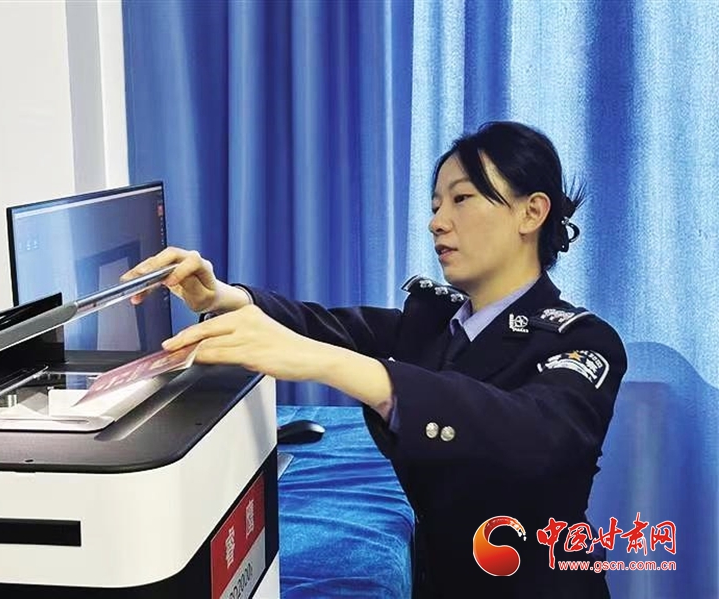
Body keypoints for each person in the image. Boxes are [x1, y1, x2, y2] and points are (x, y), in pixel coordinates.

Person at [122, 121, 626, 598]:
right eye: (435, 204)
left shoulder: (582, 341)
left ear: (531, 213)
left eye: (462, 198)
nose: (436, 221)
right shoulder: (437, 324)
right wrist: (222, 296)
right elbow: (326, 326)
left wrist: (325, 362)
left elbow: (536, 439)